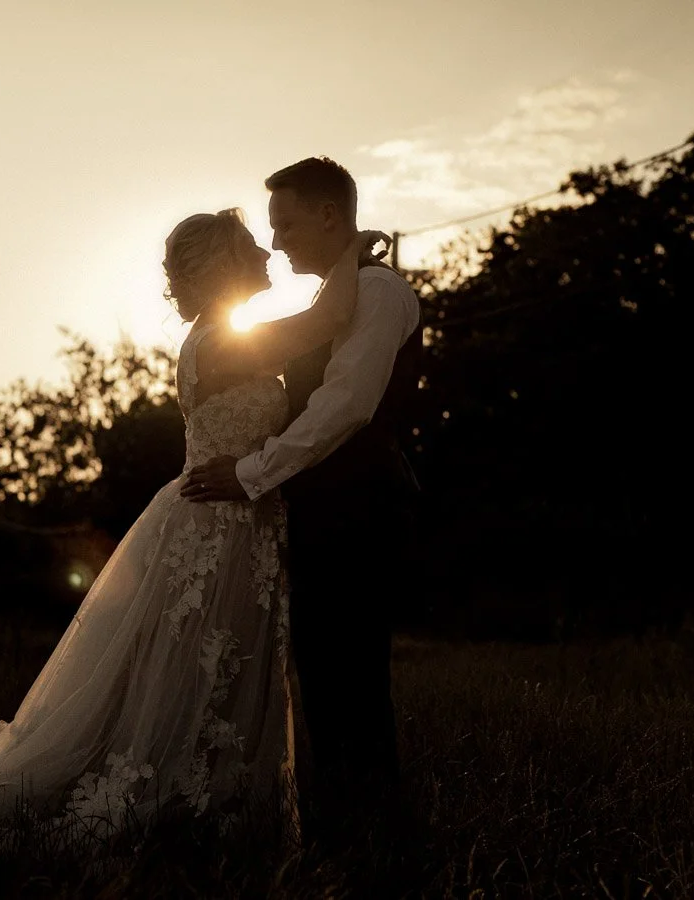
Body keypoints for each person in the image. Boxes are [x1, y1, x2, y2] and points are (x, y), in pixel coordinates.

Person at [0, 207, 389, 843]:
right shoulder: (223, 340)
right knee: (189, 663)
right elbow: (330, 320)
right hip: (212, 529)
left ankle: (214, 801)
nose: (268, 254)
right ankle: (166, 799)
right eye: (253, 245)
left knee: (214, 665)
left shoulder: (221, 335)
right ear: (223, 262)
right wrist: (350, 250)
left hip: (236, 524)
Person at [181, 157, 423, 837]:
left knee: (350, 667)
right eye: (266, 232)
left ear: (326, 214)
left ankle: (370, 821)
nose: (277, 240)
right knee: (322, 668)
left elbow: (344, 407)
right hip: (298, 511)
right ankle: (343, 813)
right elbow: (321, 325)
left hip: (357, 507)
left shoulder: (378, 294)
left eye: (283, 223)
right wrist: (352, 251)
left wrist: (254, 471)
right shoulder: (325, 301)